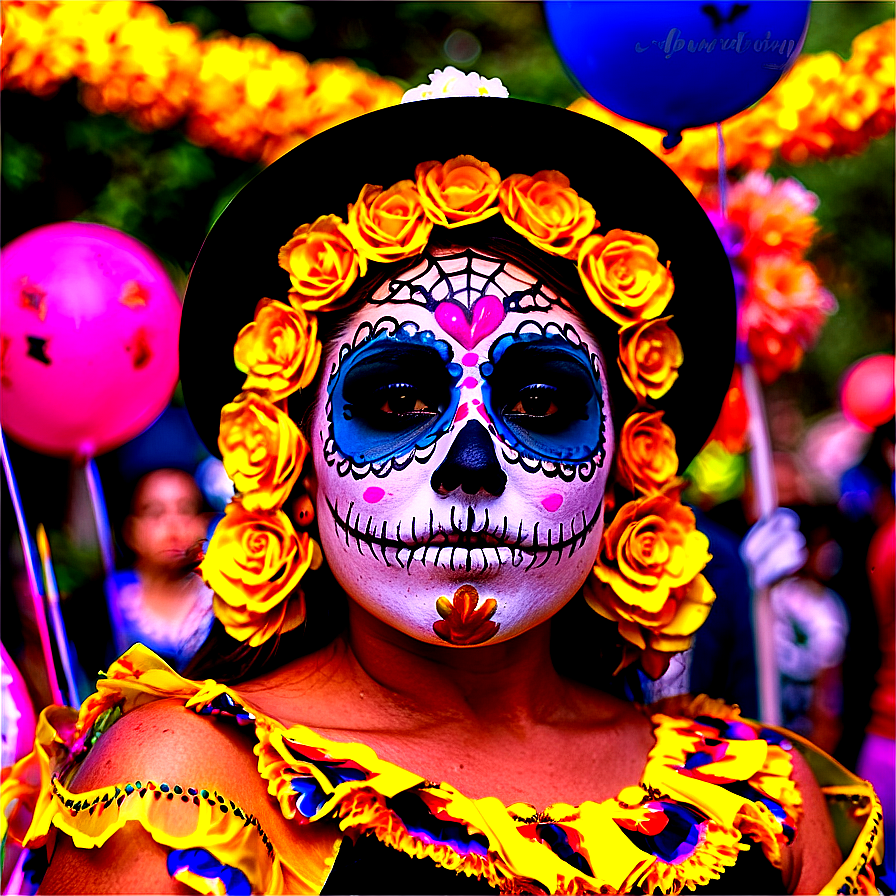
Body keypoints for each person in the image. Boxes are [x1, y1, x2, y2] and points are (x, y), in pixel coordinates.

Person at [1, 87, 882, 895]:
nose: (473, 463)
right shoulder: (193, 787)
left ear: (624, 470)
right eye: (393, 400)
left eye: (540, 402)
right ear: (296, 469)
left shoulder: (764, 802)